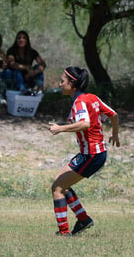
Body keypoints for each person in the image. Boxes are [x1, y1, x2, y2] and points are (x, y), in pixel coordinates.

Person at [47, 66, 120, 236]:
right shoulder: (91, 97)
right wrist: (115, 134)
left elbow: (85, 123)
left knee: (58, 188)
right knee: (60, 184)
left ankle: (64, 233)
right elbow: (114, 114)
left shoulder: (79, 102)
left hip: (91, 155)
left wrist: (60, 129)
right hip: (94, 153)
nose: (59, 84)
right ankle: (83, 219)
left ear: (72, 84)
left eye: (62, 81)